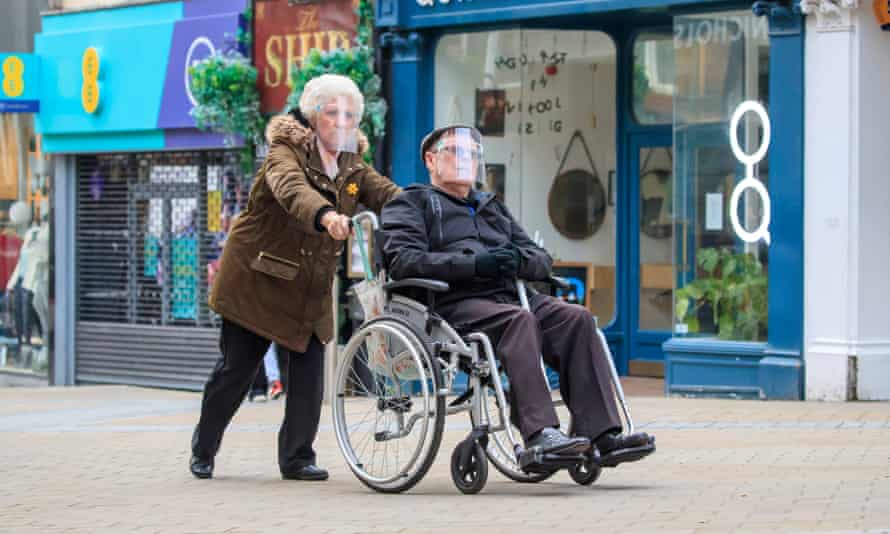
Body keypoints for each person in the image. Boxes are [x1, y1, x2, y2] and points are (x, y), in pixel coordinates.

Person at [381, 125, 654, 465]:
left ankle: (602, 435)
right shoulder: (410, 203)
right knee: (518, 321)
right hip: (452, 303)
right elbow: (405, 261)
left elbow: (541, 258)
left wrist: (520, 260)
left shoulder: (491, 207)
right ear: (431, 159)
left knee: (577, 319)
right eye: (455, 151)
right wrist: (475, 264)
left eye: (473, 154)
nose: (466, 159)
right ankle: (540, 433)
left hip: (510, 295)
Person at [190, 74, 401, 481]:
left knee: (308, 374)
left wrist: (430, 206)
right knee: (237, 370)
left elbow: (388, 194)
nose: (343, 121)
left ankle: (297, 457)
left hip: (307, 285)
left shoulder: (352, 164)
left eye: (351, 114)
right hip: (257, 278)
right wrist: (326, 215)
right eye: (333, 112)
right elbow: (291, 190)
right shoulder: (284, 151)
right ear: (311, 115)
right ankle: (205, 445)